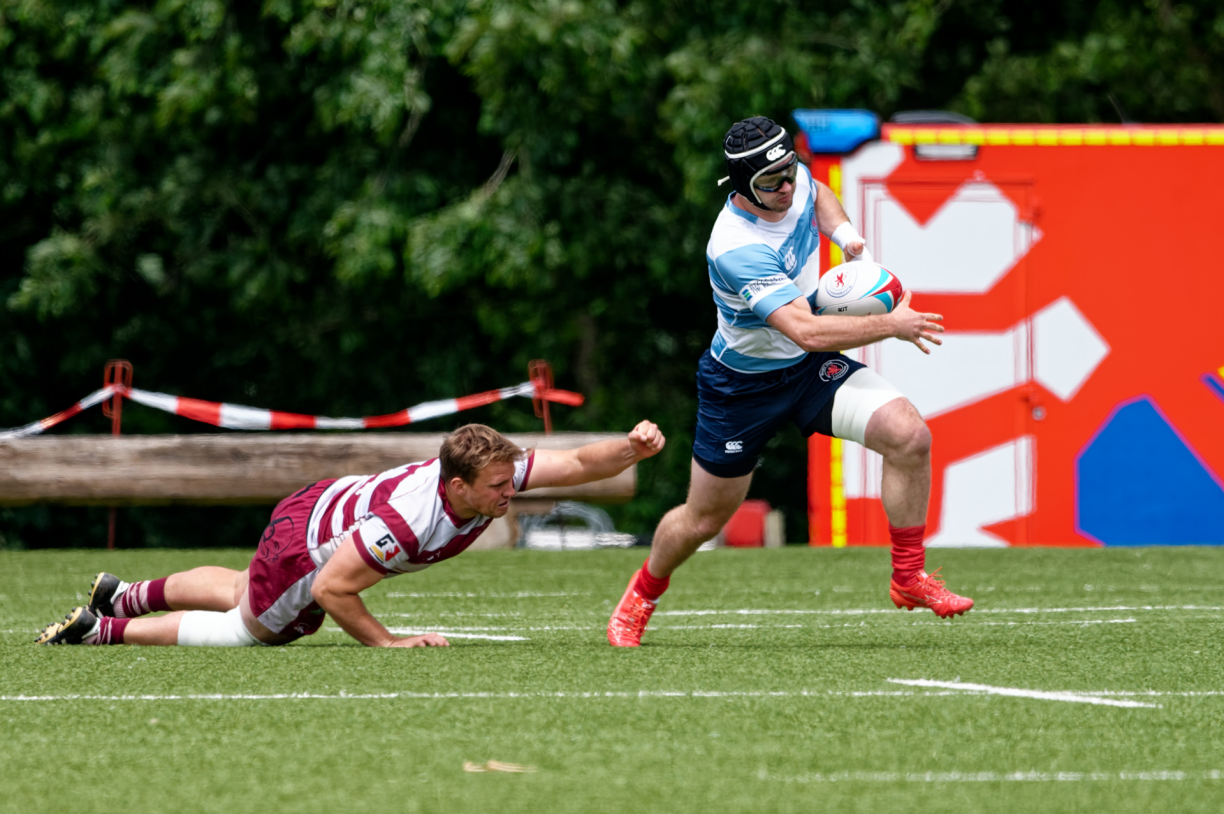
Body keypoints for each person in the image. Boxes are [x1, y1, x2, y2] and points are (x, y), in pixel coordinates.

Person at [606, 116, 973, 647]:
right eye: (771, 181)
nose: (786, 187)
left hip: (805, 371)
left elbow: (818, 194)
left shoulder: (789, 180)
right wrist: (892, 324)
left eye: (789, 171)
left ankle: (909, 576)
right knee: (703, 519)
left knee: (909, 435)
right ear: (741, 185)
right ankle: (642, 593)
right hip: (742, 387)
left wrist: (848, 239)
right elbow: (805, 330)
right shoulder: (735, 246)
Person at [37, 421, 665, 648]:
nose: (512, 493)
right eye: (499, 487)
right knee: (248, 630)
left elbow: (576, 463)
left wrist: (631, 450)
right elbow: (334, 589)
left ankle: (122, 595)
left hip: (315, 505)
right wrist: (387, 643)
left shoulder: (483, 474)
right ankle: (100, 631)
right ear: (458, 486)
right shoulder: (412, 521)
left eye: (510, 481)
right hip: (307, 551)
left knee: (241, 588)